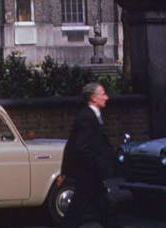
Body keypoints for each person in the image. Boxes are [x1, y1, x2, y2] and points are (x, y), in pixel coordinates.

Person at [59, 81, 117, 228]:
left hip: (91, 175)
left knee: (103, 210)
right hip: (89, 174)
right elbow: (80, 147)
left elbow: (71, 145)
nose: (106, 97)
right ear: (93, 98)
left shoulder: (91, 115)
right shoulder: (87, 117)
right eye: (103, 94)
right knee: (79, 212)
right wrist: (98, 165)